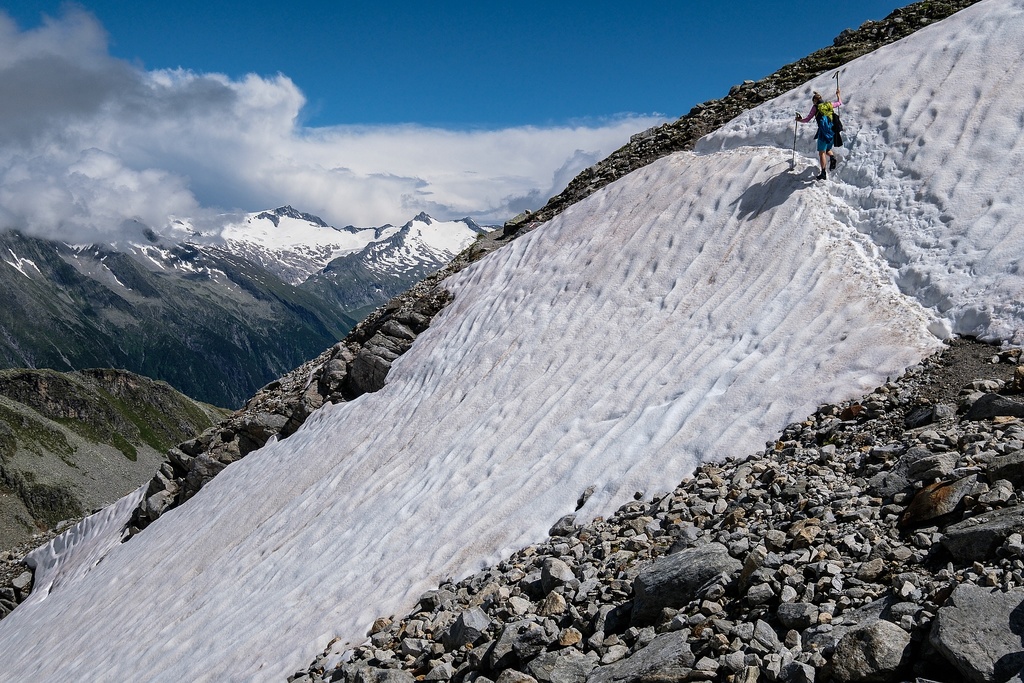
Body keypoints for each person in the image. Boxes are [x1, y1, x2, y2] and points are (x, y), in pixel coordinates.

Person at [796, 88, 842, 180]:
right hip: (832, 131)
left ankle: (823, 173)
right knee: (828, 148)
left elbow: (807, 119)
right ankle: (832, 157)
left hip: (823, 133)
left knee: (822, 153)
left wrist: (799, 120)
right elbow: (839, 103)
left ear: (815, 101)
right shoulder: (828, 105)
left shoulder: (815, 107)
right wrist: (838, 95)